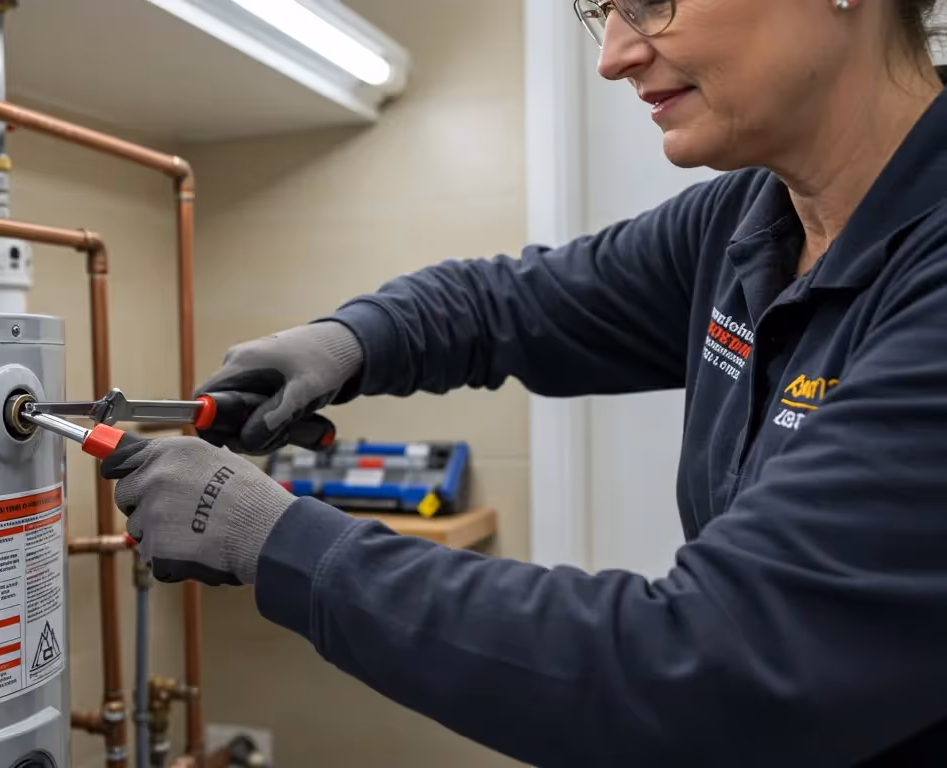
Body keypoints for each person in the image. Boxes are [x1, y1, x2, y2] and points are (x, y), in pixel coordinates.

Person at [101, 0, 947, 764]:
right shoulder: (748, 218)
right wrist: (348, 340)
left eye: (650, 0)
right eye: (601, 11)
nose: (613, 55)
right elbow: (514, 301)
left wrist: (274, 540)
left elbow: (710, 669)